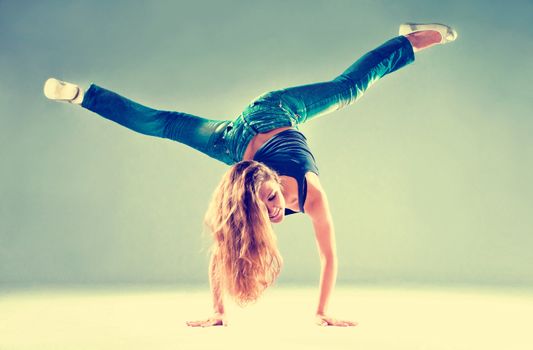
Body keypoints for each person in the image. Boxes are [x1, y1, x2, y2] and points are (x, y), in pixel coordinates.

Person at [43, 23, 458, 327]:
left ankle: (411, 38)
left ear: (276, 184)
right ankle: (80, 96)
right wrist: (223, 313)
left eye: (272, 199)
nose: (274, 211)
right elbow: (226, 246)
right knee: (165, 124)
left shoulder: (310, 194)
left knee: (349, 88)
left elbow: (328, 255)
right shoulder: (248, 195)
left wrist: (319, 311)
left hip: (271, 115)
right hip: (236, 145)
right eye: (266, 207)